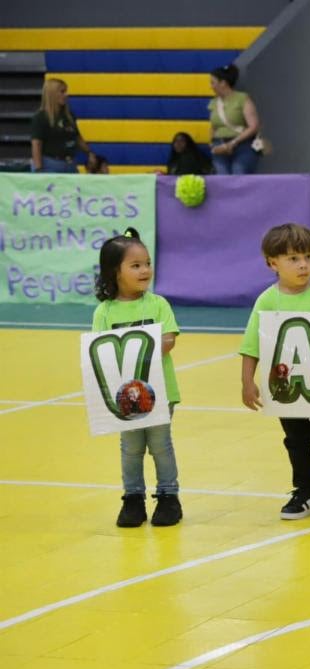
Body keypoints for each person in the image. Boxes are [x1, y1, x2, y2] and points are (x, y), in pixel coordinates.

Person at [239, 224, 310, 520]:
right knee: (296, 440)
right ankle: (305, 491)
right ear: (272, 263)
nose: (303, 265)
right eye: (293, 259)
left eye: (308, 256)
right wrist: (247, 382)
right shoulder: (267, 300)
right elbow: (252, 344)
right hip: (286, 389)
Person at [93, 228, 183, 528]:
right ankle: (133, 499)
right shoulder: (104, 312)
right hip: (123, 397)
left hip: (159, 391)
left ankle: (168, 497)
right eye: (135, 265)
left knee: (160, 445)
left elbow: (169, 340)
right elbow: (100, 351)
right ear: (114, 272)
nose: (145, 270)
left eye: (147, 263)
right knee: (131, 448)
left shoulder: (157, 305)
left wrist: (138, 349)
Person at [31, 78, 96, 173]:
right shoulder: (40, 117)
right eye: (62, 92)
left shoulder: (69, 115)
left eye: (66, 91)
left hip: (70, 164)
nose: (66, 94)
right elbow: (36, 144)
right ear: (52, 94)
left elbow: (77, 137)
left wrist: (89, 153)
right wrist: (38, 169)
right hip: (50, 165)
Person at [208, 64, 261, 175]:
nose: (211, 86)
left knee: (239, 174)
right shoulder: (213, 103)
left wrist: (233, 143)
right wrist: (212, 143)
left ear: (223, 83)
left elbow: (254, 126)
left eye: (213, 83)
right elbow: (213, 126)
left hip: (242, 145)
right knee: (222, 179)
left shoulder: (242, 99)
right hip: (220, 145)